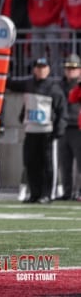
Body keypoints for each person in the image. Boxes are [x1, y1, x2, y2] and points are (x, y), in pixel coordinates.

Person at [8, 57, 67, 204]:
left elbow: (61, 110)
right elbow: (10, 83)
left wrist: (58, 130)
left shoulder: (54, 88)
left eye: (43, 67)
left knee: (48, 165)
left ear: (48, 69)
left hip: (47, 131)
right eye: (38, 67)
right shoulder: (28, 83)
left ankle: (47, 194)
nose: (41, 70)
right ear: (34, 69)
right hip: (31, 131)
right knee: (30, 163)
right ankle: (34, 193)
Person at [59, 53, 81, 200]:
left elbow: (73, 99)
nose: (70, 71)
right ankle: (67, 192)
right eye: (68, 68)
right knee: (65, 164)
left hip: (78, 128)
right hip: (64, 127)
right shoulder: (59, 86)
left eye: (74, 68)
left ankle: (78, 192)